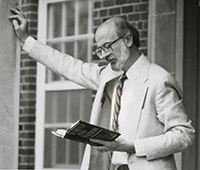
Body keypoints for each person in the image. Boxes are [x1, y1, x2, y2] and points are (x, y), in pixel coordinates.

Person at [9, 7, 195, 170]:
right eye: (100, 50)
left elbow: (183, 135)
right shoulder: (108, 75)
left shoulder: (159, 79)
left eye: (107, 47)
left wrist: (132, 146)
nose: (104, 55)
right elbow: (69, 66)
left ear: (128, 39)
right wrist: (27, 40)